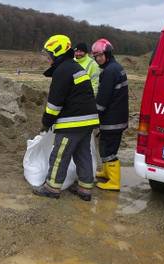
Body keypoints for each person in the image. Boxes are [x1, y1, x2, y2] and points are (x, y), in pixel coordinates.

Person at [33, 34, 100, 201]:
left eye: (49, 54)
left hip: (72, 122)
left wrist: (46, 122)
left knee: (60, 155)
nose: (48, 58)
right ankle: (85, 189)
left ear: (57, 53)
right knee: (83, 153)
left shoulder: (62, 71)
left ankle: (52, 188)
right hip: (88, 120)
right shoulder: (75, 67)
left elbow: (55, 103)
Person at [92, 38, 129, 191]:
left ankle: (114, 182)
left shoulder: (109, 72)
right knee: (106, 146)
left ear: (107, 54)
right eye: (95, 57)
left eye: (100, 55)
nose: (98, 59)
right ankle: (107, 172)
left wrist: (95, 115)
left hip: (112, 119)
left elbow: (102, 99)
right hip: (117, 117)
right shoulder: (115, 67)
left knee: (109, 149)